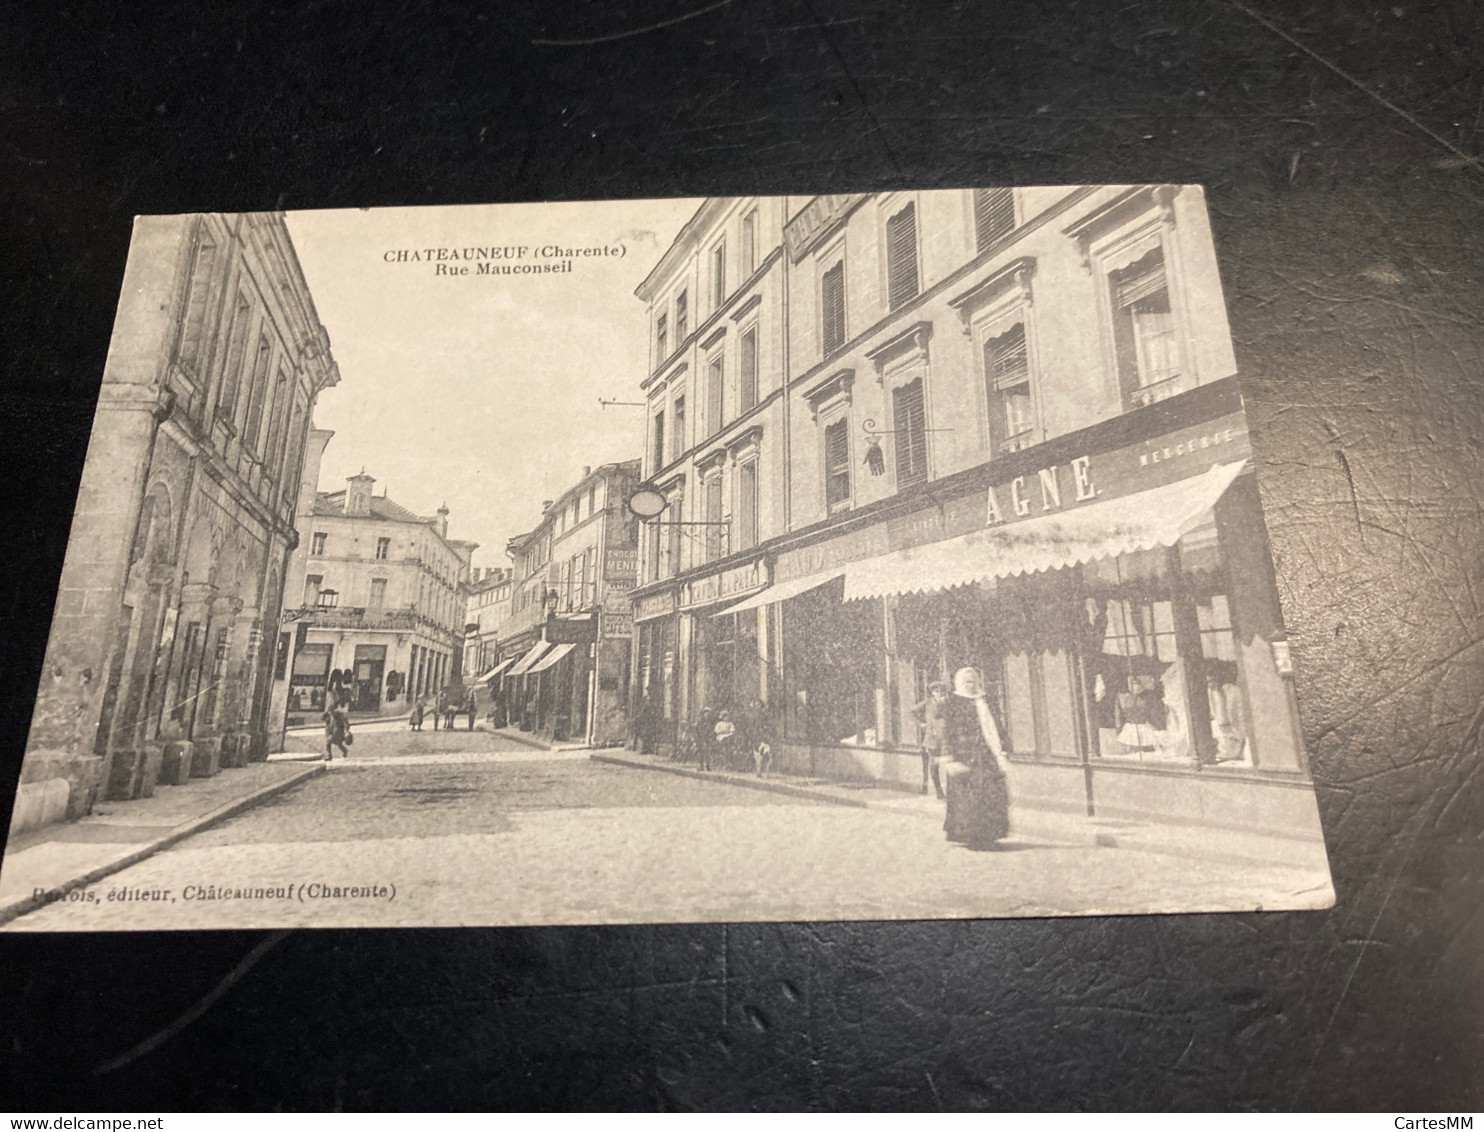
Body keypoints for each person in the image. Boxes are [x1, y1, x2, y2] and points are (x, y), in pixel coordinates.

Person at [939, 667, 1011, 850]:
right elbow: (946, 731)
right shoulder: (952, 702)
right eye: (966, 682)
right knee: (968, 798)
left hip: (986, 756)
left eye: (973, 681)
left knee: (990, 794)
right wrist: (949, 756)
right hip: (964, 756)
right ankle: (970, 835)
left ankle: (990, 834)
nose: (970, 685)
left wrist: (1004, 748)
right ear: (960, 683)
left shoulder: (986, 700)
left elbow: (997, 725)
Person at [911, 682, 949, 798]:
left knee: (949, 764)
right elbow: (912, 711)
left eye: (941, 691)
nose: (939, 693)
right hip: (932, 737)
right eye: (937, 691)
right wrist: (920, 724)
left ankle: (951, 792)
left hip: (946, 737)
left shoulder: (947, 703)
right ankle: (939, 791)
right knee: (934, 765)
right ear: (933, 692)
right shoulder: (928, 702)